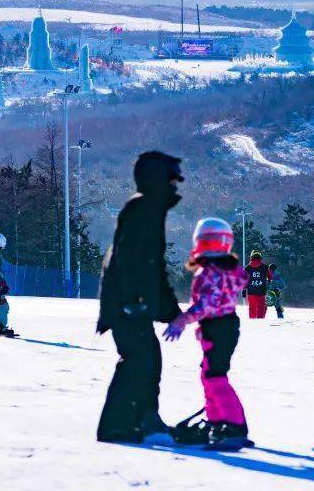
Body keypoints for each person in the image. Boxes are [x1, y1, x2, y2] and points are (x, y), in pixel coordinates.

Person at [96, 151, 183, 444]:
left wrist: (171, 310)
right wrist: (135, 300)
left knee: (148, 359)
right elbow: (131, 259)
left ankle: (145, 419)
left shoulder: (149, 208)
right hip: (126, 304)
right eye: (171, 179)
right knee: (138, 360)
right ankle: (117, 426)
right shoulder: (142, 208)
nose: (175, 186)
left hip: (131, 302)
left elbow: (153, 268)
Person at [164, 218, 252, 449]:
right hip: (226, 327)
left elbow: (208, 304)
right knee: (208, 374)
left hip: (217, 328)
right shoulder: (230, 270)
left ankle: (233, 426)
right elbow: (239, 282)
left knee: (215, 376)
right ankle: (217, 423)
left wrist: (182, 319)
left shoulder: (208, 272)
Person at [244, 252, 271, 319]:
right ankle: (260, 323)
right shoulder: (265, 267)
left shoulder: (247, 268)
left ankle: (252, 323)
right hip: (261, 291)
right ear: (260, 258)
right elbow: (270, 277)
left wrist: (244, 289)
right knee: (261, 307)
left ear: (251, 258)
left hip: (251, 291)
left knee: (252, 308)